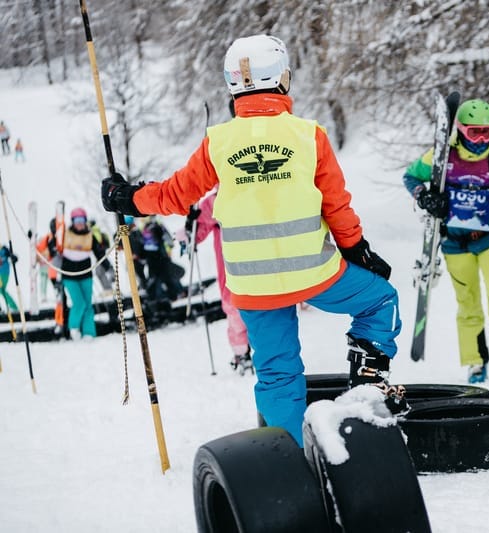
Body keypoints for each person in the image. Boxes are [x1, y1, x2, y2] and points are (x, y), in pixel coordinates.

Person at [101, 34, 404, 445]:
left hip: (251, 286)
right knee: (380, 299)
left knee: (278, 373)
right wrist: (356, 249)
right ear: (281, 77)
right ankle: (367, 381)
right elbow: (336, 204)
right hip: (314, 273)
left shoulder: (219, 142)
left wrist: (127, 198)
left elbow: (176, 195)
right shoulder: (308, 136)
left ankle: (291, 459)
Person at [403, 99, 489, 383]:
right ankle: (475, 361)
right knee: (468, 303)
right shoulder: (441, 157)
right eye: (475, 132)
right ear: (461, 129)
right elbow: (411, 176)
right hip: (454, 242)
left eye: (486, 132)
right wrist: (424, 196)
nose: (480, 139)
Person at [179, 194, 253, 374]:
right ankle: (242, 353)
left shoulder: (250, 191)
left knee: (259, 307)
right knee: (234, 307)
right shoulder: (216, 200)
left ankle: (262, 351)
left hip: (255, 258)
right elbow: (199, 229)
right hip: (229, 265)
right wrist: (190, 229)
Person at [61, 207, 108, 339]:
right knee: (79, 303)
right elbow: (54, 248)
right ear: (73, 221)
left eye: (82, 220)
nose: (80, 223)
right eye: (77, 220)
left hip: (85, 275)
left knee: (88, 304)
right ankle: (74, 328)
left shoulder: (90, 235)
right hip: (69, 276)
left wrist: (108, 267)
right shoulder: (65, 234)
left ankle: (89, 333)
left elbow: (99, 253)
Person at [140, 215, 184, 305]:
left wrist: (167, 250)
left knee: (165, 275)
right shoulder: (146, 228)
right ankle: (168, 296)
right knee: (160, 277)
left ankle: (175, 294)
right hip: (155, 257)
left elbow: (167, 240)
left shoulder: (155, 226)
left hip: (160, 256)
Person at [0, 244, 19, 313]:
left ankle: (13, 307)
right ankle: (13, 306)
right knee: (2, 290)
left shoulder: (4, 250)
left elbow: (13, 256)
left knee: (1, 289)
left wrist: (13, 257)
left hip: (3, 273)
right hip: (2, 272)